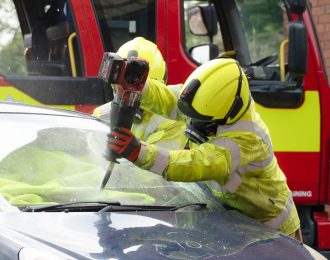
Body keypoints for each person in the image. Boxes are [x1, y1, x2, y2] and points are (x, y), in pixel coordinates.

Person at [107, 58, 302, 241]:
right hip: (233, 220)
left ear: (229, 112)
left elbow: (197, 164)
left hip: (271, 231)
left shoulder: (247, 138)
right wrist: (141, 87)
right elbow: (168, 99)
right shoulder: (208, 100)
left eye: (202, 122)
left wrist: (139, 153)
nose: (194, 124)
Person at [93, 37, 188, 150]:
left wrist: (134, 151)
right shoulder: (101, 114)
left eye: (135, 86)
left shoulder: (171, 124)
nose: (126, 92)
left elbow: (158, 164)